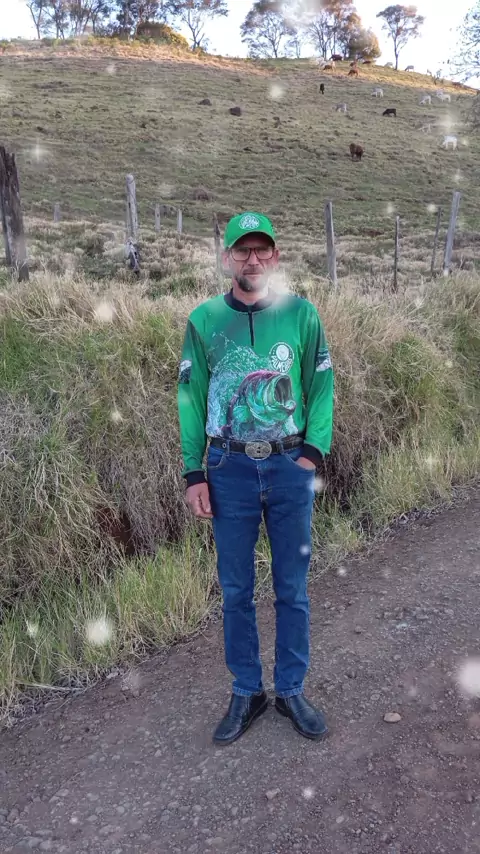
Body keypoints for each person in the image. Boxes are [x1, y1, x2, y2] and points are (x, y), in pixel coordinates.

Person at [177, 211, 334, 745]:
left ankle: (290, 689)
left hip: (290, 467)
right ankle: (248, 690)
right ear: (227, 258)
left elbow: (322, 385)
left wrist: (311, 453)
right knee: (236, 589)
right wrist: (194, 471)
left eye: (261, 249)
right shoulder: (203, 319)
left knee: (292, 587)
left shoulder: (302, 314)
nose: (253, 259)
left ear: (275, 256)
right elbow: (191, 398)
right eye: (242, 250)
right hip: (229, 470)